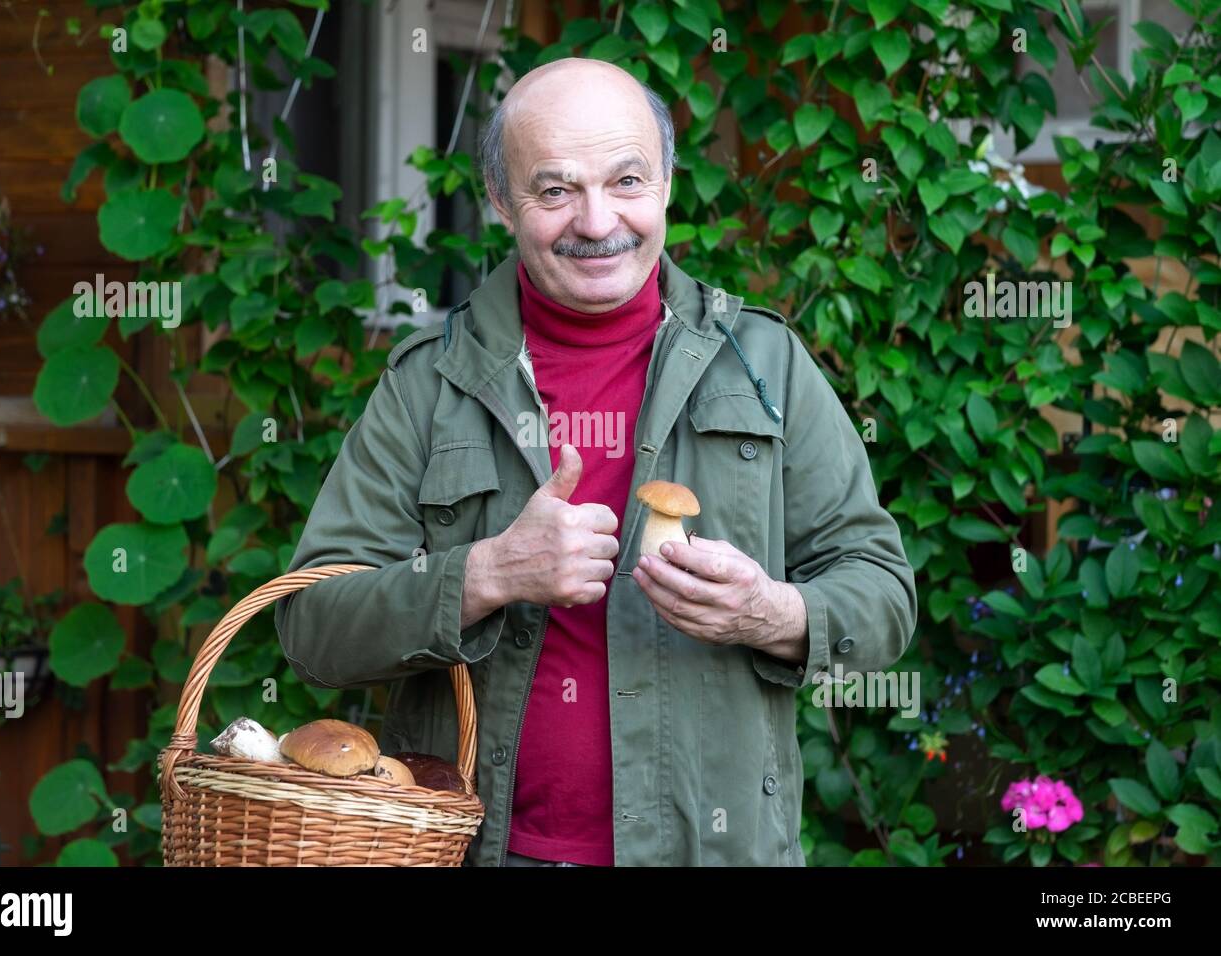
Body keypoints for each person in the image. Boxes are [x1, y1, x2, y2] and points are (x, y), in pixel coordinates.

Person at [275, 57, 916, 866]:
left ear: (670, 185)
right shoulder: (427, 383)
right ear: (502, 203)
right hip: (478, 852)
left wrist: (772, 614)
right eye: (554, 190)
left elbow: (884, 595)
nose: (596, 219)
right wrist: (485, 575)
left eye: (626, 180)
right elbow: (312, 626)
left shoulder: (764, 363)